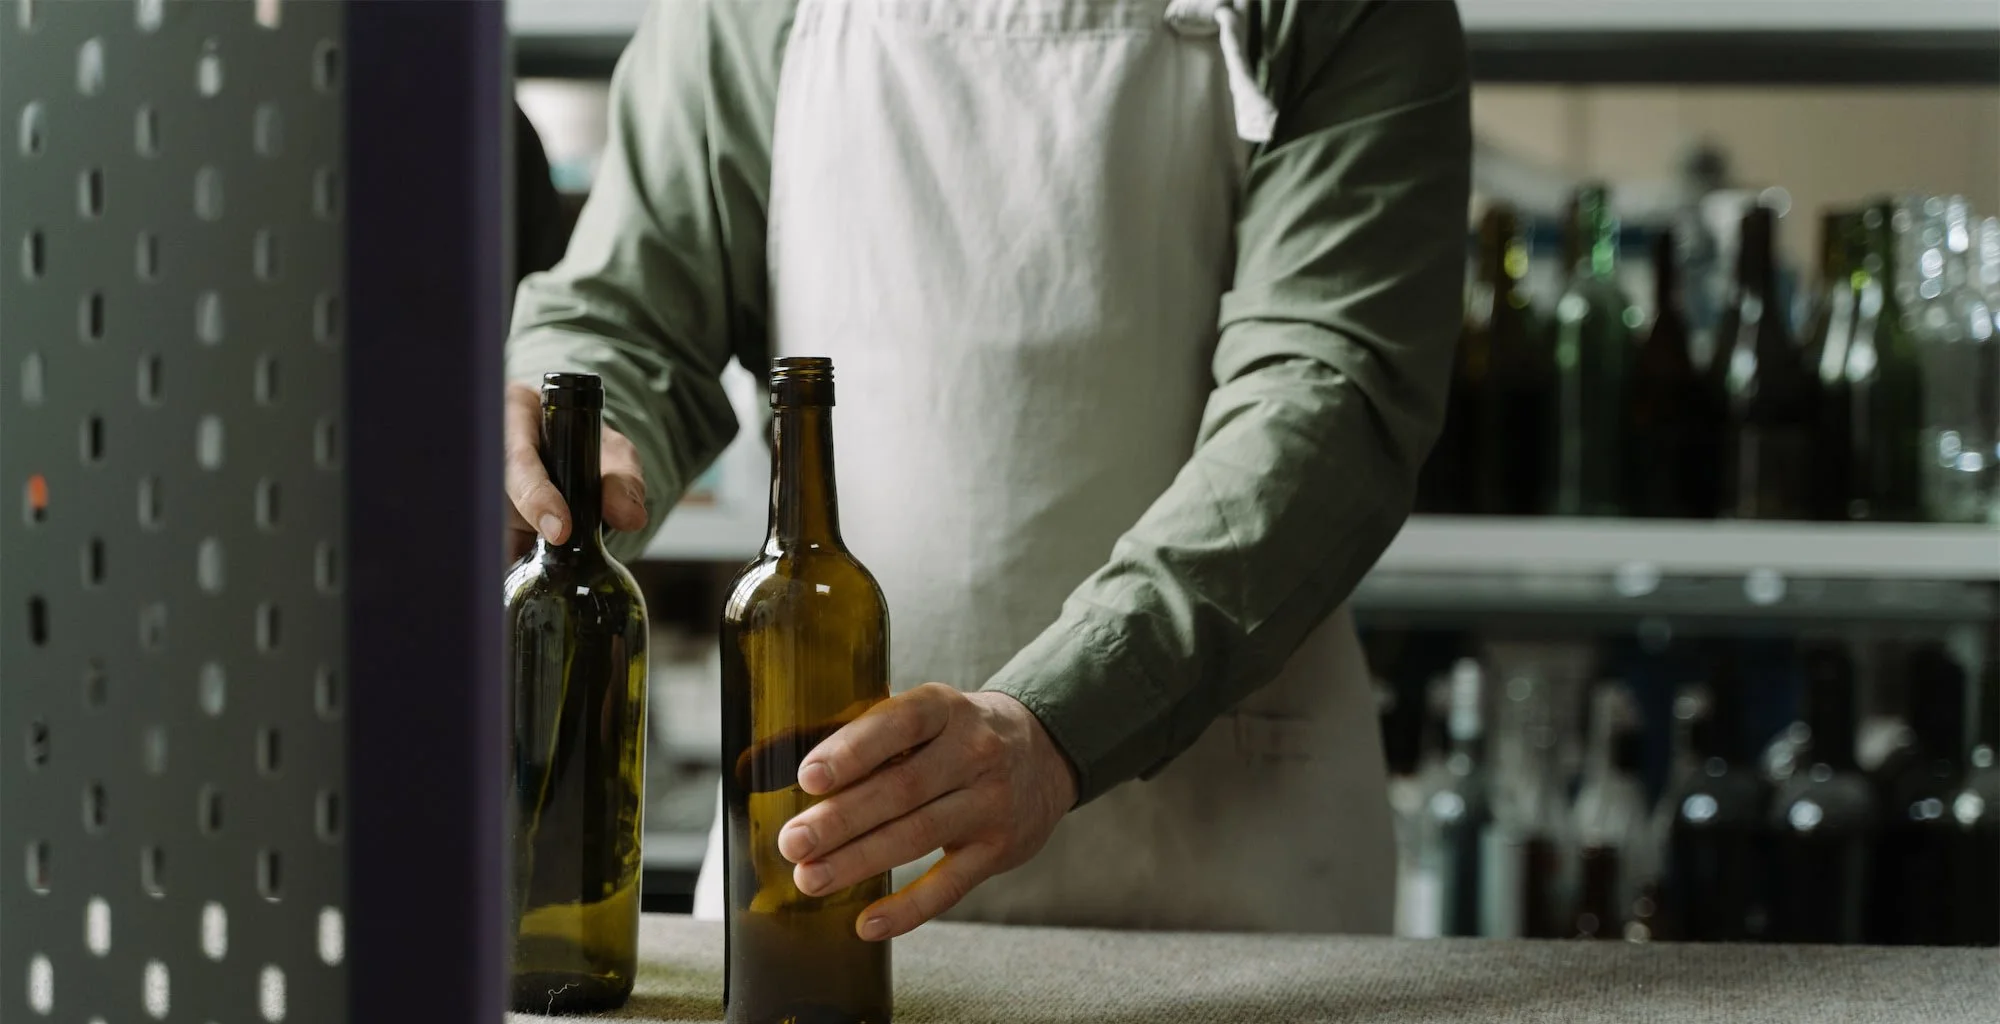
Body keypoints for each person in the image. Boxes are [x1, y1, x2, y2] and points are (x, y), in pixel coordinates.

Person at [506, 0, 1470, 939]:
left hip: (1228, 882)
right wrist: (558, 446)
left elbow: (1325, 397)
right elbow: (628, 317)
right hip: (824, 855)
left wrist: (1056, 721)